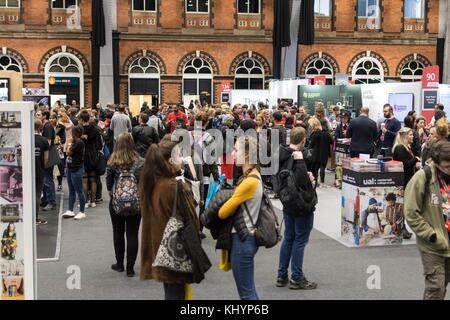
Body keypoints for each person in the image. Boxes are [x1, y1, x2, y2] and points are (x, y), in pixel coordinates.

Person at [139, 135, 202, 300]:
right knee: (176, 294)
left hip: (160, 248)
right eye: (179, 155)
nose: (182, 158)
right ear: (170, 161)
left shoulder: (153, 182)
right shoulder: (174, 186)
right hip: (176, 249)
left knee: (171, 292)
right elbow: (193, 221)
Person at [218, 136, 263, 300]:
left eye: (236, 150)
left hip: (242, 239)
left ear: (246, 155)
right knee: (248, 291)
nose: (232, 153)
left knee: (246, 294)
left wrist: (225, 198)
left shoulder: (248, 182)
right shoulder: (253, 176)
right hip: (246, 238)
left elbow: (222, 212)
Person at [405, 140, 450, 300]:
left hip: (448, 239)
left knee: (443, 283)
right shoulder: (423, 177)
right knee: (435, 286)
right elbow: (410, 212)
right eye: (447, 167)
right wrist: (430, 234)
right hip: (432, 243)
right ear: (437, 163)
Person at [276, 127, 317, 290]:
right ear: (303, 140)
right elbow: (300, 181)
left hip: (287, 202)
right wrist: (309, 178)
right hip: (301, 203)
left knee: (288, 238)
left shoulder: (281, 154)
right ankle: (296, 278)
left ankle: (281, 275)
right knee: (300, 240)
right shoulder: (299, 157)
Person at [106, 133, 145, 277]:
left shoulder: (112, 161)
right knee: (133, 234)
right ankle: (130, 269)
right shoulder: (141, 161)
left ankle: (119, 264)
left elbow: (109, 186)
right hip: (136, 202)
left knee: (118, 232)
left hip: (116, 202)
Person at [62, 126, 86, 220]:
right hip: (70, 168)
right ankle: (70, 209)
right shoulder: (75, 142)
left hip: (77, 168)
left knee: (79, 190)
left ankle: (82, 211)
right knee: (71, 190)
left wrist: (69, 143)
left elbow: (68, 152)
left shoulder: (79, 143)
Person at [79, 110, 101, 208]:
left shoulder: (79, 129)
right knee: (93, 179)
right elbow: (99, 144)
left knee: (84, 180)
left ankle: (85, 201)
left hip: (82, 155)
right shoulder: (95, 129)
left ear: (80, 119)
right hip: (93, 154)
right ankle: (93, 201)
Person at [41, 110, 57, 211]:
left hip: (49, 156)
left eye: (39, 114)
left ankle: (51, 202)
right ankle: (47, 200)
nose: (37, 116)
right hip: (46, 155)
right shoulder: (45, 126)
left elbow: (48, 143)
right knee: (45, 179)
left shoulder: (48, 127)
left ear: (44, 116)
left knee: (48, 180)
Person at [34, 119, 49, 225]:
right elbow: (46, 158)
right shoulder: (44, 140)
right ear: (40, 127)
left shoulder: (25, 139)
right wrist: (43, 167)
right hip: (39, 170)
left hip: (26, 171)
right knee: (37, 194)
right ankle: (35, 218)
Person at [307, 118, 322, 188]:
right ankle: (314, 186)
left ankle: (313, 187)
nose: (309, 126)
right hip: (318, 155)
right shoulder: (320, 132)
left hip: (314, 156)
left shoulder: (315, 133)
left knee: (313, 172)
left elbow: (311, 144)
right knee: (315, 172)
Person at [317, 119, 333, 187]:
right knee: (322, 167)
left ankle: (315, 181)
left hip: (317, 152)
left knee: (317, 168)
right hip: (325, 152)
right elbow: (332, 142)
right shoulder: (327, 134)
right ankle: (322, 183)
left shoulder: (317, 133)